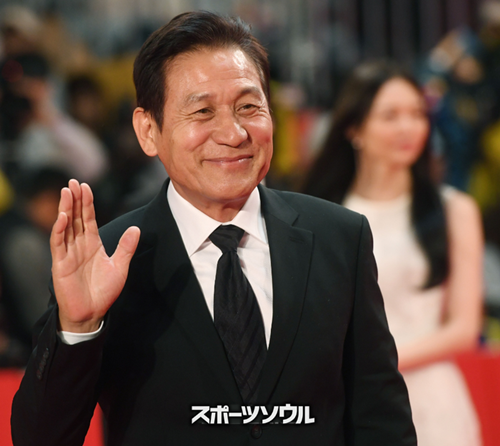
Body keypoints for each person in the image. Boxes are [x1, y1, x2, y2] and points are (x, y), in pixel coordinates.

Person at [12, 12, 416, 446]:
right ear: (148, 130)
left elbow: (381, 421)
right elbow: (41, 438)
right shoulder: (108, 258)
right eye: (202, 111)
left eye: (248, 107)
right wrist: (78, 327)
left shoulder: (339, 238)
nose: (234, 133)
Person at [303, 61, 483, 446]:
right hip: (345, 404)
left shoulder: (454, 210)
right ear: (354, 128)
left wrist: (374, 365)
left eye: (417, 114)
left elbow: (464, 329)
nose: (408, 128)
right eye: (390, 116)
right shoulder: (320, 214)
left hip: (433, 403)